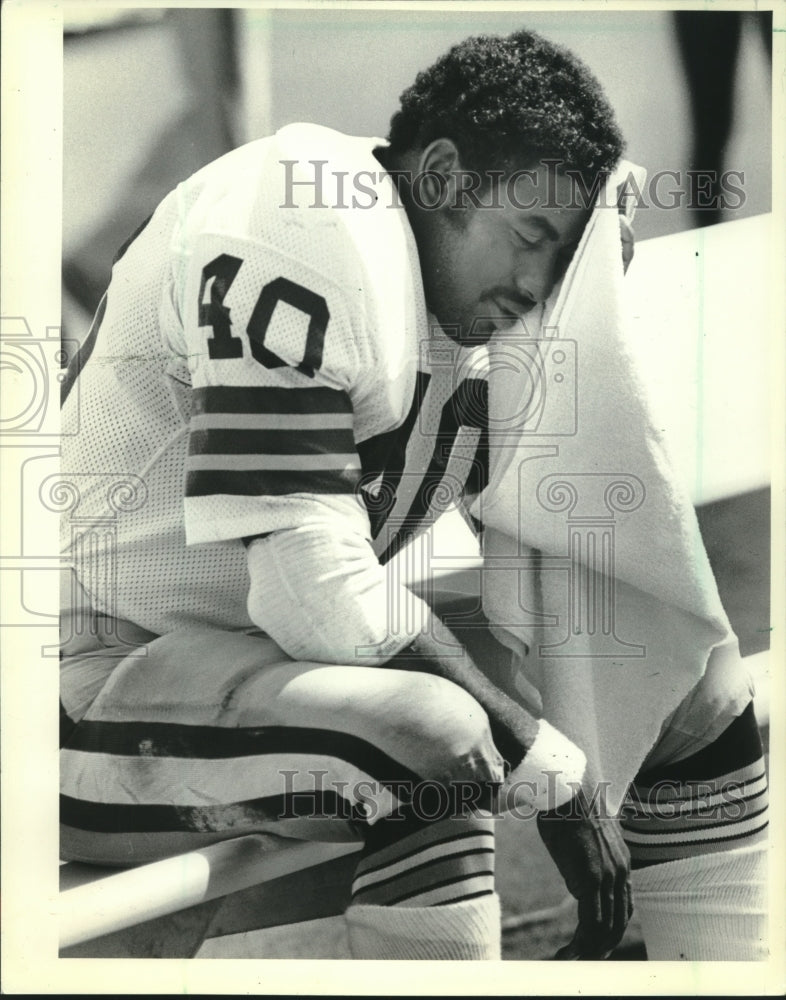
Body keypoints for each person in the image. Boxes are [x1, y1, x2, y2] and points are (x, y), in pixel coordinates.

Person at [59, 29, 767, 961]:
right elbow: (314, 593)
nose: (537, 283)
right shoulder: (297, 213)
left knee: (688, 675)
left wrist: (586, 261)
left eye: (560, 257)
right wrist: (549, 764)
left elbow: (582, 552)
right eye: (529, 237)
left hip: (260, 663)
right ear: (438, 175)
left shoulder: (476, 291)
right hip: (93, 676)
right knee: (433, 734)